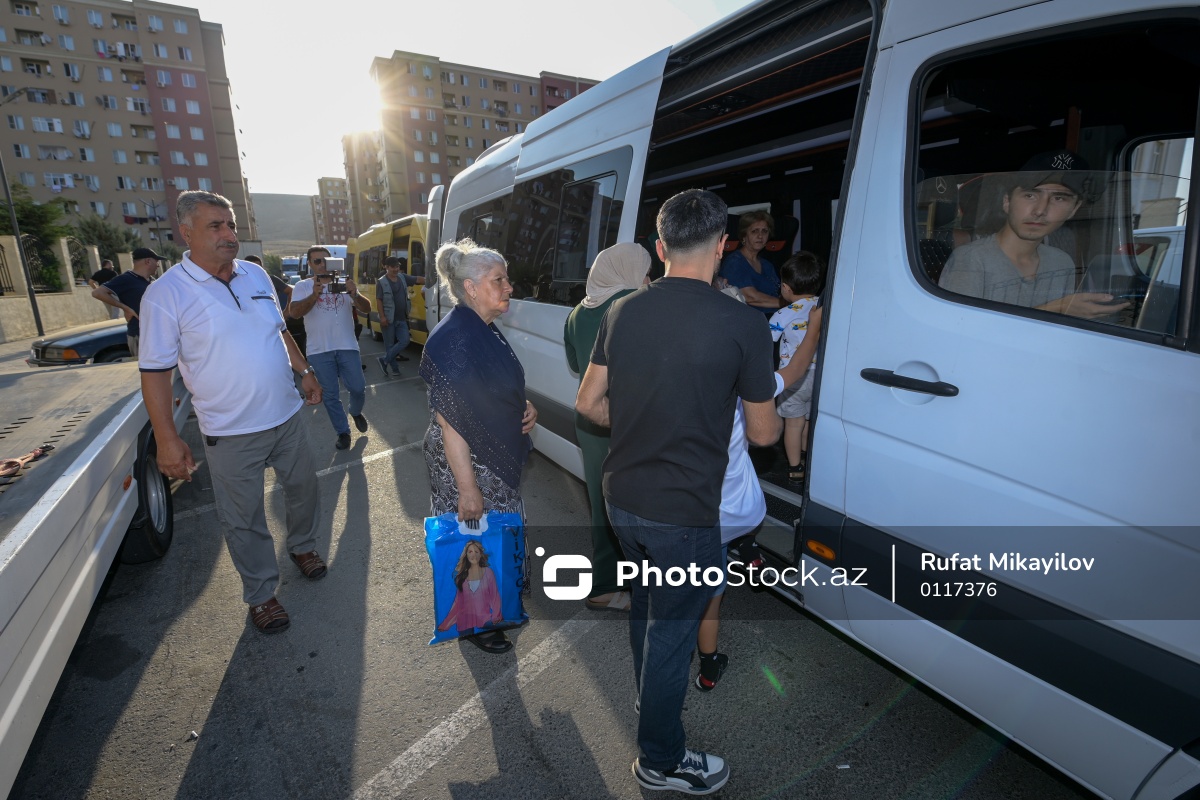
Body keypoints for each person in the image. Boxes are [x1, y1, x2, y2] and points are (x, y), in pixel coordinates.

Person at [576, 189, 782, 795]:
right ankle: (661, 760)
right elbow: (765, 432)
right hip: (684, 511)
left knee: (646, 609)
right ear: (722, 246)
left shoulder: (621, 312)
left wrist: (639, 423)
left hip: (623, 497)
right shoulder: (743, 323)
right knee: (672, 635)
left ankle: (652, 707)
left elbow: (588, 403)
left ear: (661, 247)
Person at [137, 191, 327, 635]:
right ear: (187, 233)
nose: (229, 234)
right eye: (215, 226)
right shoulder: (165, 294)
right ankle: (261, 595)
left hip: (286, 416)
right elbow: (155, 372)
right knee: (244, 518)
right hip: (230, 431)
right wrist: (166, 438)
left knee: (304, 489)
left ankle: (302, 546)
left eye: (231, 225)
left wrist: (305, 371)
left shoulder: (255, 274)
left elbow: (279, 331)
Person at [420, 238, 538, 655]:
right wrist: (467, 489)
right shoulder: (456, 338)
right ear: (470, 288)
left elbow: (493, 389)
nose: (509, 287)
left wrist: (524, 406)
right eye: (498, 280)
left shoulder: (482, 328)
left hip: (489, 459)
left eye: (506, 279)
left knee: (495, 536)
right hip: (468, 464)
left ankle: (499, 603)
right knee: (475, 542)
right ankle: (477, 623)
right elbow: (451, 422)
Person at [563, 242, 652, 613]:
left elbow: (575, 363)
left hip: (590, 421)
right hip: (624, 420)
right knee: (636, 506)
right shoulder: (632, 303)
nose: (649, 277)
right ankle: (631, 585)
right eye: (645, 270)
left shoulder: (577, 312)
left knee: (602, 504)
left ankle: (608, 582)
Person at [939, 150, 1128, 319]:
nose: (1040, 210)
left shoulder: (1062, 262)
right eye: (1030, 195)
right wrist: (1059, 309)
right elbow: (959, 334)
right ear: (1007, 202)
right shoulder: (971, 259)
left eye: (1059, 198)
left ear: (1073, 209)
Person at [288, 246, 372, 450]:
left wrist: (355, 294)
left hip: (347, 346)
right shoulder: (303, 286)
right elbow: (295, 313)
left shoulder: (343, 283)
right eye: (317, 261)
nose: (321, 264)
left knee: (358, 387)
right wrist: (314, 295)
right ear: (310, 264)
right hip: (319, 350)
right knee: (331, 395)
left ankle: (355, 411)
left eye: (325, 260)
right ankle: (343, 431)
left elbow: (367, 308)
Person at [769, 252, 823, 487]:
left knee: (793, 423)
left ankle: (794, 468)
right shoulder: (823, 306)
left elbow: (767, 339)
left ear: (785, 287)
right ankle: (807, 458)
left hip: (794, 378)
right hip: (818, 376)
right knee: (808, 420)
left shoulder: (783, 313)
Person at [91, 247, 163, 358]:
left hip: (158, 334)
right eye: (156, 261)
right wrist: (125, 308)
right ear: (148, 261)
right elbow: (97, 292)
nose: (158, 265)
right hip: (140, 335)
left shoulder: (152, 281)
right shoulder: (126, 279)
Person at [719, 209, 781, 315]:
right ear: (744, 236)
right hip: (750, 320)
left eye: (764, 231)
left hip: (777, 317)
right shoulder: (734, 262)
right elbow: (750, 297)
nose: (760, 236)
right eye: (754, 231)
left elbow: (779, 292)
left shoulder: (767, 265)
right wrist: (787, 304)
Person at [437, 541, 503, 632]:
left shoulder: (488, 573)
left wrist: (496, 616)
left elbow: (494, 596)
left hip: (484, 620)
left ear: (481, 555)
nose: (473, 555)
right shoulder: (462, 576)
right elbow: (457, 603)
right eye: (470, 552)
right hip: (464, 621)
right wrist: (446, 624)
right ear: (466, 555)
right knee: (467, 636)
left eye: (476, 552)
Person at [375, 255, 425, 376]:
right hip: (388, 319)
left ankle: (384, 359)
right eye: (393, 267)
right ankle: (395, 369)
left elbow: (418, 279)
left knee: (405, 340)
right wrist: (382, 317)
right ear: (386, 267)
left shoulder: (402, 277)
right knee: (389, 345)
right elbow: (379, 300)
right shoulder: (381, 282)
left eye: (397, 266)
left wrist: (434, 279)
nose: (396, 269)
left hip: (401, 318)